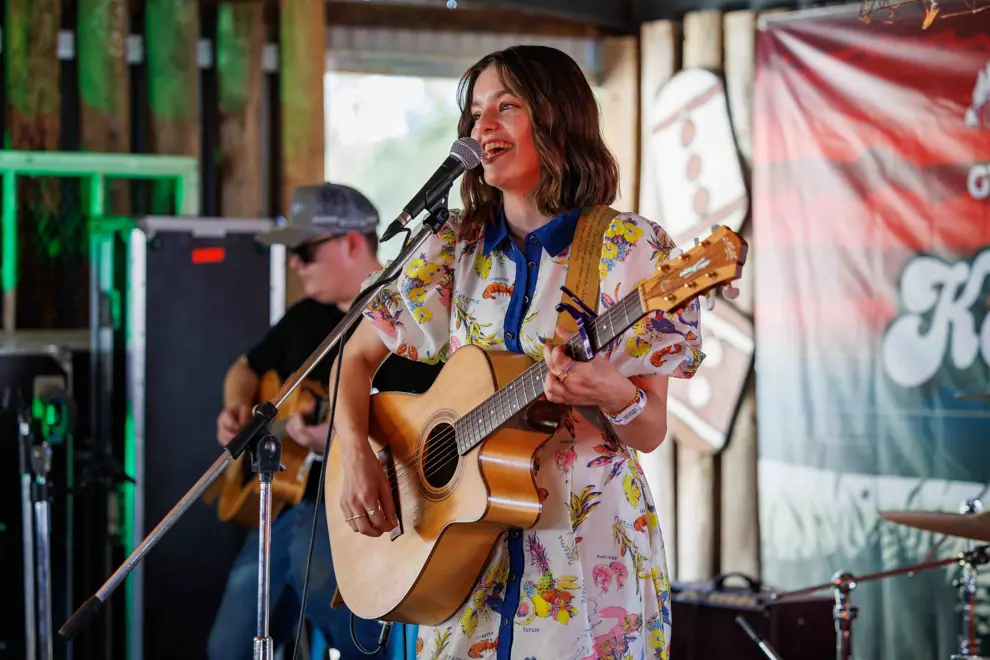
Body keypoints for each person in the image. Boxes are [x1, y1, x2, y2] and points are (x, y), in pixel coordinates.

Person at [330, 45, 705, 660]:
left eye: (507, 106)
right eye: (476, 113)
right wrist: (355, 451)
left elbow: (649, 429)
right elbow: (355, 355)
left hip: (585, 557)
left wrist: (612, 393)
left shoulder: (628, 249)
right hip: (459, 563)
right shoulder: (453, 246)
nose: (483, 128)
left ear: (558, 118)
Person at [208, 183, 440, 659]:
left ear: (352, 243)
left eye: (304, 250)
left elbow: (431, 425)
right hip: (286, 505)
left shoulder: (415, 320)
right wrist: (236, 407)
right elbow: (244, 368)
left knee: (363, 646)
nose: (294, 263)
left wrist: (336, 440)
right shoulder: (305, 316)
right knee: (228, 647)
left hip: (360, 517)